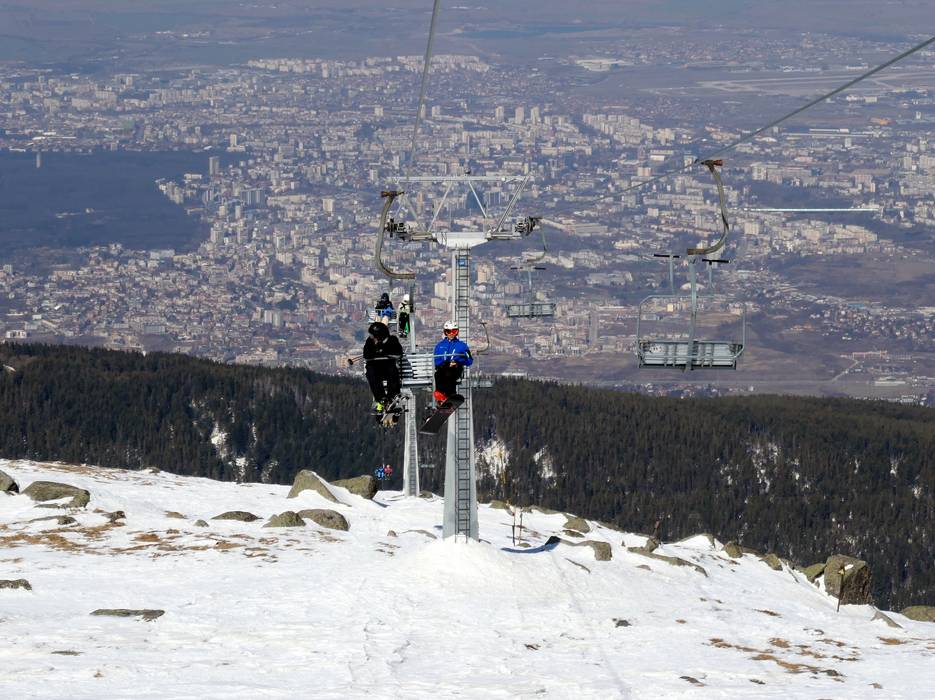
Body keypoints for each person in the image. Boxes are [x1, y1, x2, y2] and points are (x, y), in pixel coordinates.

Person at [363, 321, 402, 413]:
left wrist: (384, 352)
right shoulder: (370, 342)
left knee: (392, 371)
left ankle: (392, 396)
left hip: (388, 368)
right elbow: (366, 355)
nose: (372, 338)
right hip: (376, 369)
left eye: (373, 336)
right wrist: (376, 351)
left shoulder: (392, 340)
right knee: (370, 372)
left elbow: (398, 353)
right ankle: (381, 398)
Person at [433, 320, 473, 404]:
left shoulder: (462, 345)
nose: (451, 334)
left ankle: (450, 395)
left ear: (457, 332)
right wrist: (446, 363)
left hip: (456, 369)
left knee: (449, 373)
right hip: (443, 368)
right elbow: (437, 361)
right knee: (438, 374)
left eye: (454, 331)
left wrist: (459, 361)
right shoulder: (440, 346)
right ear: (445, 332)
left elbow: (469, 360)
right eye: (448, 331)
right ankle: (440, 395)